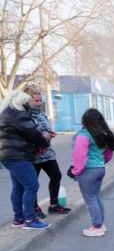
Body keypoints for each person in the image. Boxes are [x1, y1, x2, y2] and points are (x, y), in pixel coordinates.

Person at [0, 90, 52, 229]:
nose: (29, 104)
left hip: (8, 156)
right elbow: (32, 134)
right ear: (21, 102)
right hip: (19, 156)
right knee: (32, 185)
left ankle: (19, 219)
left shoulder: (5, 113)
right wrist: (45, 140)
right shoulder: (19, 115)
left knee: (18, 187)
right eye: (27, 102)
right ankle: (30, 220)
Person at [24, 86, 71, 216]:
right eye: (36, 101)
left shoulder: (42, 114)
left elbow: (44, 129)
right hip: (33, 155)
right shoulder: (24, 116)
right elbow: (29, 134)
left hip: (47, 153)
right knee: (33, 184)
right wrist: (43, 135)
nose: (39, 103)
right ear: (28, 100)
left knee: (56, 176)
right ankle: (34, 208)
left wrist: (50, 133)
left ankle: (54, 205)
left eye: (40, 100)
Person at [72, 108, 114, 237]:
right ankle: (100, 224)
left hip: (88, 171)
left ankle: (96, 226)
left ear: (85, 121)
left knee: (90, 199)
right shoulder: (103, 134)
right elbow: (108, 154)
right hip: (100, 168)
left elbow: (79, 155)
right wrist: (100, 162)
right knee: (96, 196)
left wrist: (76, 171)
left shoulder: (83, 135)